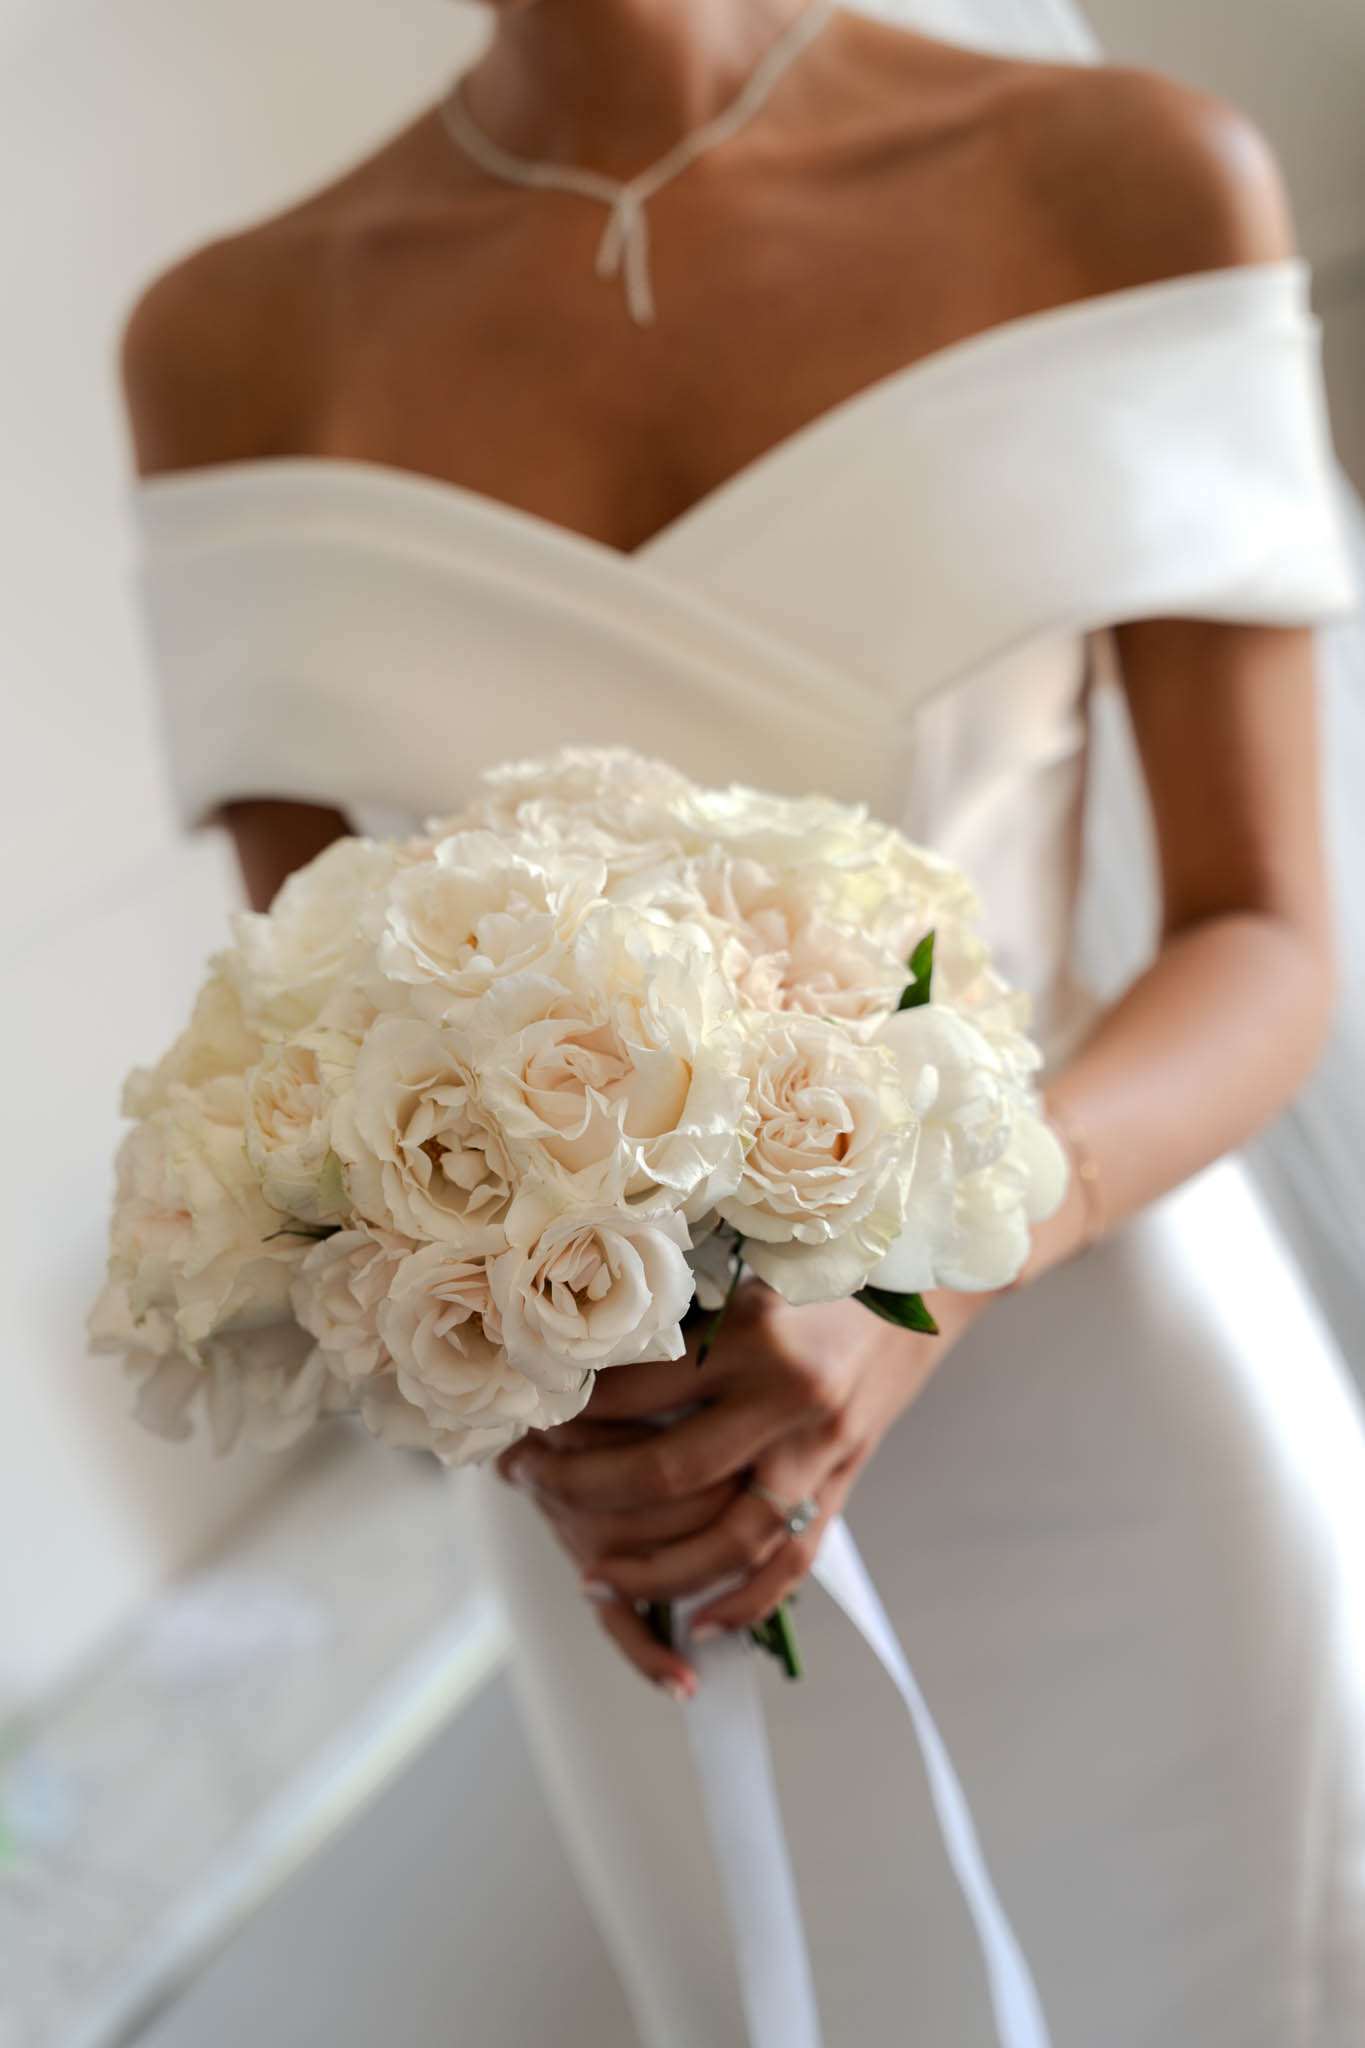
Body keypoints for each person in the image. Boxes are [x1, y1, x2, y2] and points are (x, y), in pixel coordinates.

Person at [121, 2, 1364, 2040]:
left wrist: (925, 1273)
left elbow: (1258, 932)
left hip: (1112, 1415)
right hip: (649, 1518)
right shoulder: (230, 343)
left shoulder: (1116, 175)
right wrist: (530, 1408)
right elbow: (321, 1074)